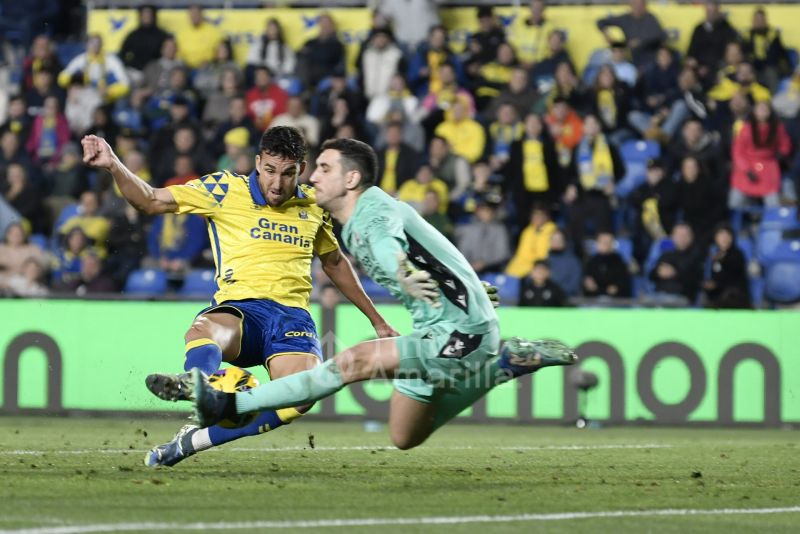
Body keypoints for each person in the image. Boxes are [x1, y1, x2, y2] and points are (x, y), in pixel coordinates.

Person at [172, 138, 576, 450]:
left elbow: (387, 246)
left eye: (324, 169)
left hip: (457, 334)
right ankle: (503, 364)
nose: (312, 177)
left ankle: (227, 405)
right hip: (435, 328)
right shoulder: (356, 222)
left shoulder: (371, 217)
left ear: (350, 179)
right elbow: (435, 252)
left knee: (350, 363)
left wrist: (401, 273)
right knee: (404, 435)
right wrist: (469, 287)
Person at [81, 126, 399, 467]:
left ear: (301, 170)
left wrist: (377, 319)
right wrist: (114, 164)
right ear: (258, 163)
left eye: (288, 173)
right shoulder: (223, 189)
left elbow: (334, 262)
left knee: (303, 396)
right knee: (206, 328)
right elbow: (150, 199)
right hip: (242, 311)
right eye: (270, 171)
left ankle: (192, 440)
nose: (277, 184)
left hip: (292, 318)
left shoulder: (313, 204)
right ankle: (199, 383)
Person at [729, 101, 791, 209]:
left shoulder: (777, 127)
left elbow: (785, 144)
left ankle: (773, 225)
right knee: (735, 200)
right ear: (754, 112)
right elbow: (738, 152)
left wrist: (781, 155)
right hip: (747, 168)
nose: (762, 111)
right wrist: (746, 170)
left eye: (765, 109)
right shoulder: (746, 128)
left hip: (769, 167)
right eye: (759, 109)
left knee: (773, 202)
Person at [596, 0, 666, 68]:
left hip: (652, 57)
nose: (637, 7)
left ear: (645, 6)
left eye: (640, 4)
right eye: (635, 4)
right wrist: (607, 35)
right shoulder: (624, 19)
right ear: (630, 5)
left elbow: (661, 36)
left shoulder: (651, 18)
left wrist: (640, 42)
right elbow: (600, 22)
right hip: (633, 57)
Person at [702, 223, 751, 309]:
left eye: (727, 235)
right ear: (715, 237)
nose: (724, 238)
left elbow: (735, 276)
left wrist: (723, 260)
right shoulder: (711, 256)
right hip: (717, 295)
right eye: (721, 234)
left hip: (735, 296)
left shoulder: (737, 255)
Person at [583, 231, 632, 298]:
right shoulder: (591, 262)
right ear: (597, 244)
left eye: (609, 242)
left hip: (615, 301)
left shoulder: (620, 262)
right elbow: (587, 283)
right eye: (603, 242)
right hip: (594, 301)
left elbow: (624, 285)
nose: (606, 245)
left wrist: (617, 288)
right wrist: (588, 285)